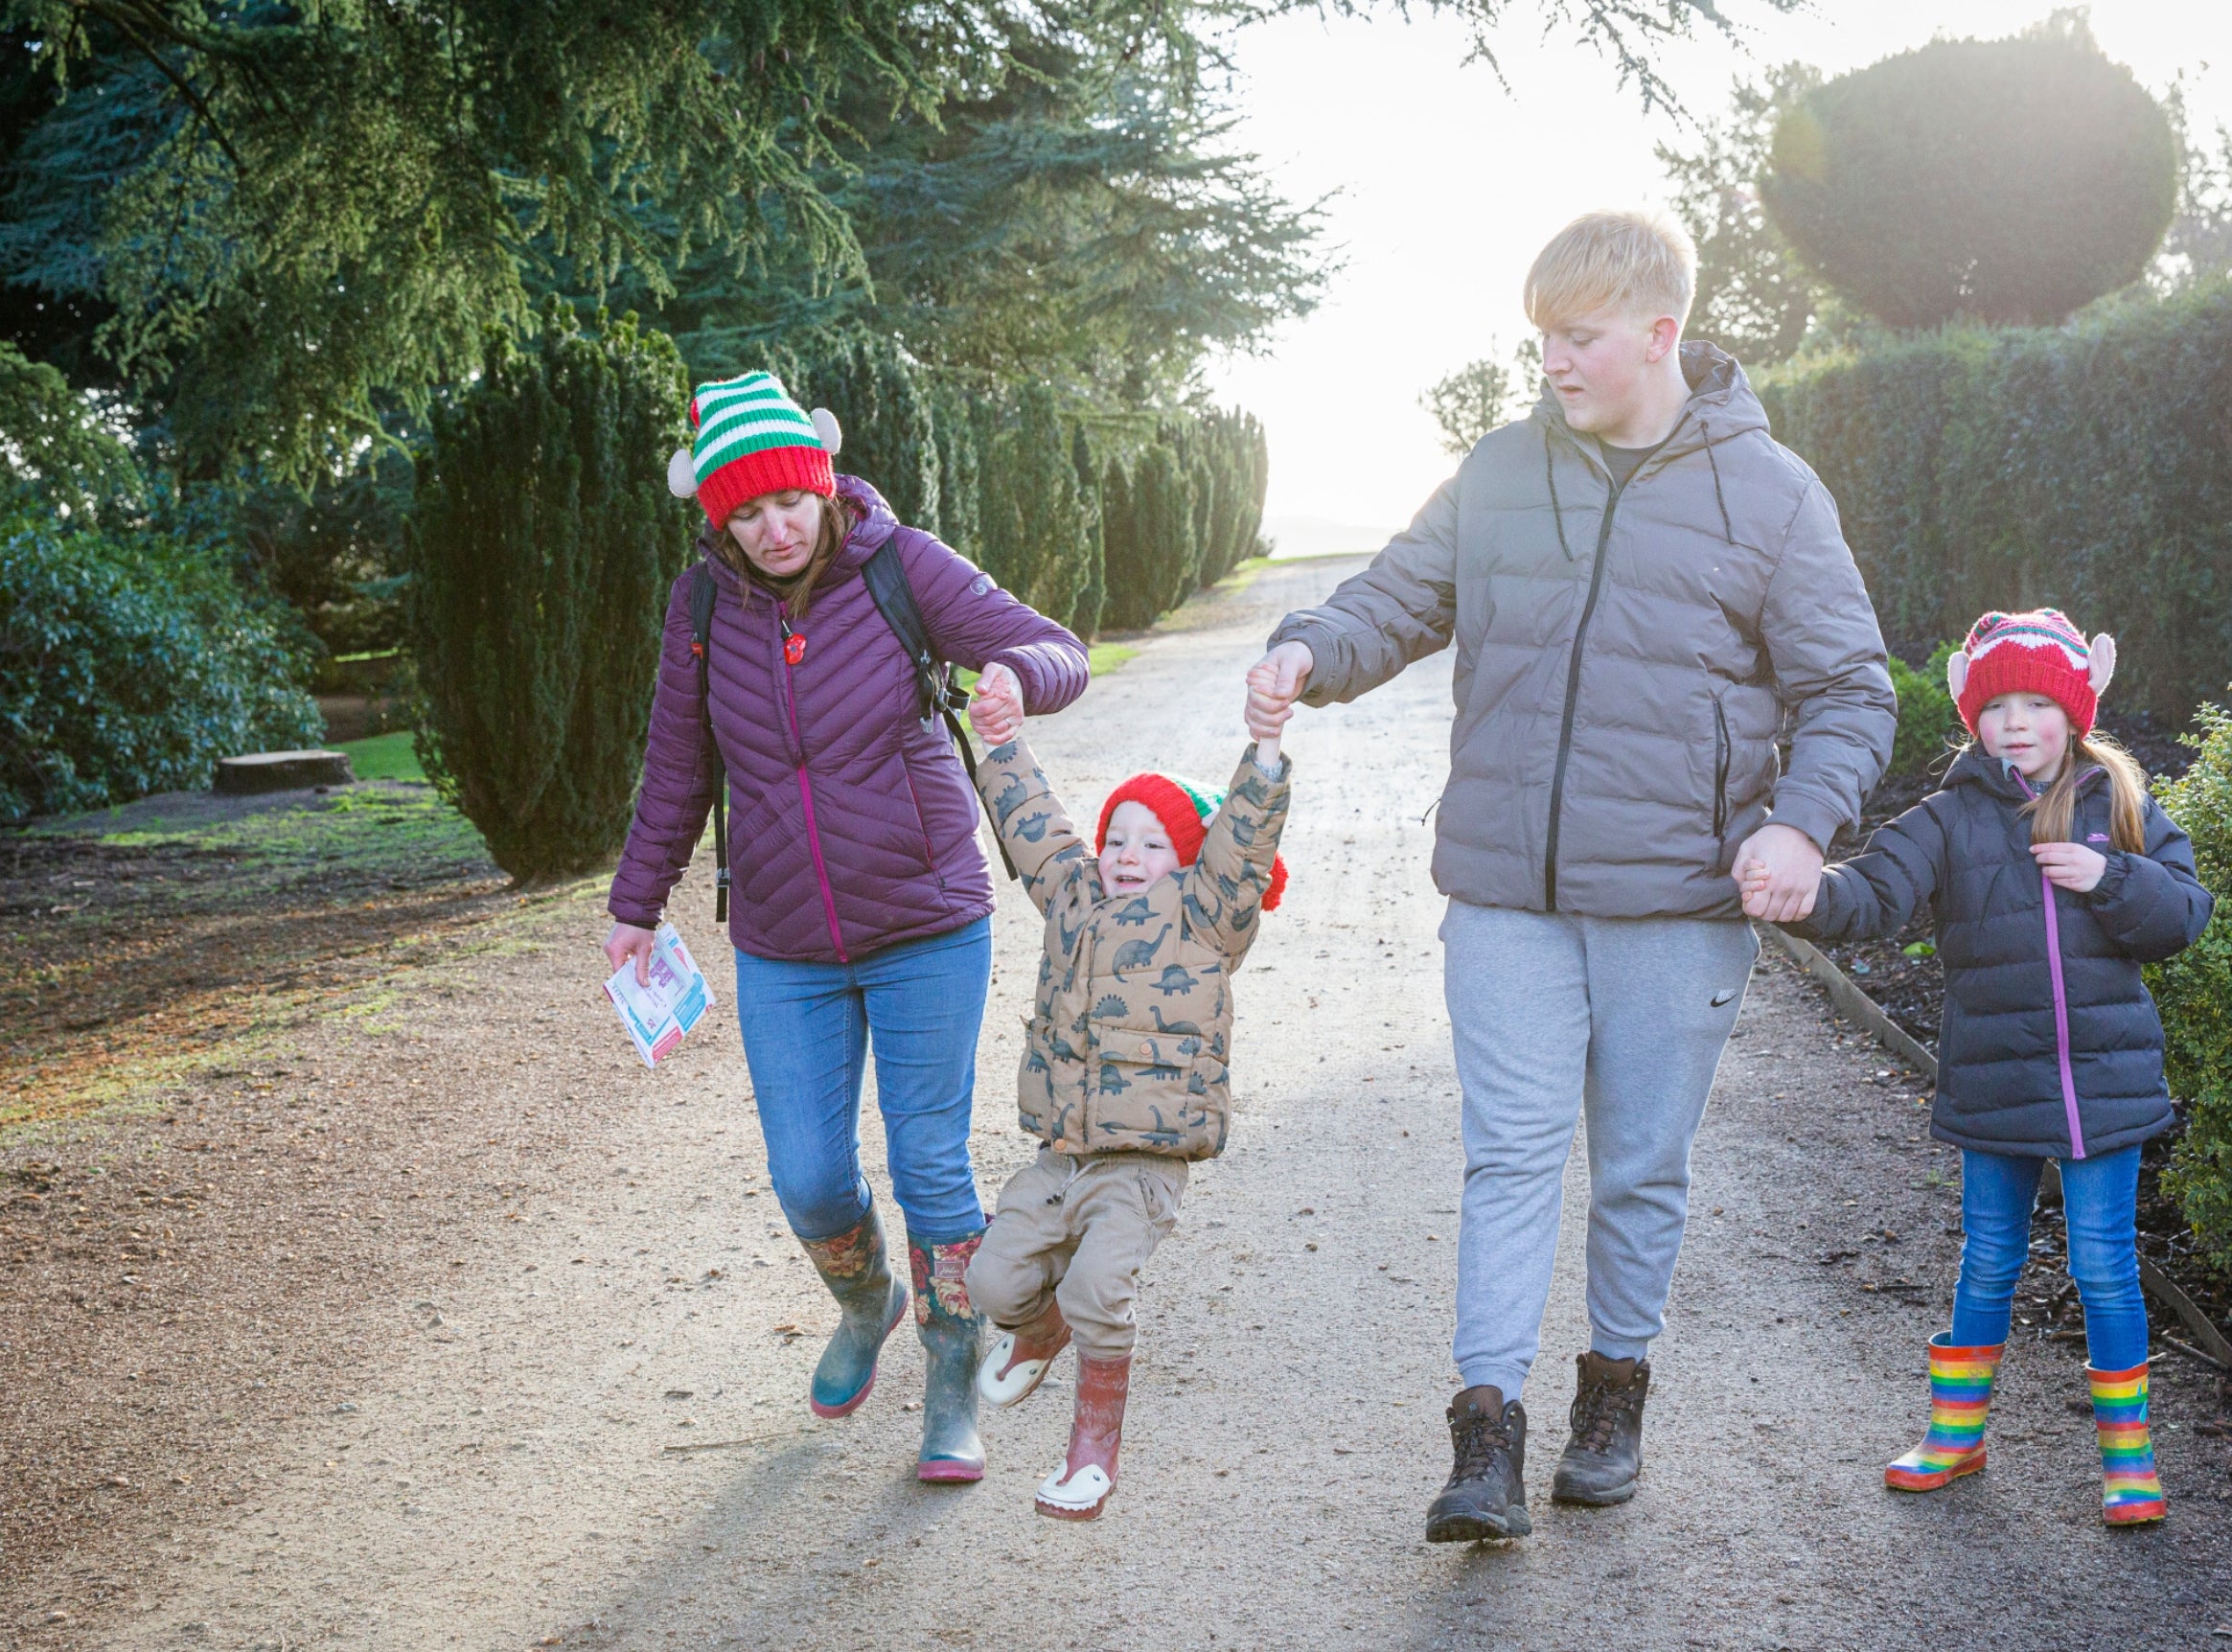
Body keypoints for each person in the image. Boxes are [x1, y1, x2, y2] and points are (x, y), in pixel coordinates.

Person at [1246, 209, 1898, 1541]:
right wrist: (1310, 650)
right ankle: (1483, 1436)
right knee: (1510, 1158)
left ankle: (1614, 1395)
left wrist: (1802, 825)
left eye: (1578, 337)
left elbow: (1849, 689)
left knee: (1643, 1167)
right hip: (1506, 895)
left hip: (1674, 906)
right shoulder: (1497, 473)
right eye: (1540, 335)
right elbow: (1394, 598)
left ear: (1660, 335)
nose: (1551, 359)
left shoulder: (1770, 494)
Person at [604, 371, 1090, 1483]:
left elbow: (1057, 646)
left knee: (930, 1163)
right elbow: (678, 768)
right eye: (747, 511)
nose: (775, 529)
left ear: (825, 487)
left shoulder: (901, 566)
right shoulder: (701, 608)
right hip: (784, 943)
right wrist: (636, 907)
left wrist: (1013, 672)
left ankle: (953, 1373)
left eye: (791, 502)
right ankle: (867, 1294)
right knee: (811, 1175)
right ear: (716, 517)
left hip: (927, 924)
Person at [1763, 608, 2211, 1526]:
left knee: (2105, 1267)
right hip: (1996, 1078)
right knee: (1989, 1259)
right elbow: (1872, 894)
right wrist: (1807, 893)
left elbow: (2184, 915)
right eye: (1996, 702)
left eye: (2036, 702)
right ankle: (1955, 1436)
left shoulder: (2121, 807)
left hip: (2105, 1088)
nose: (2015, 721)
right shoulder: (1947, 819)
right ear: (1974, 717)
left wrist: (2111, 879)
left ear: (2074, 711)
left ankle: (2130, 1460)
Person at [956, 667, 1294, 1520]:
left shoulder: (1205, 917)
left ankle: (1092, 1450)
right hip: (1060, 1154)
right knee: (994, 1282)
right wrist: (999, 740)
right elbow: (1033, 825)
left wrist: (1266, 745)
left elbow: (1244, 840)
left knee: (1097, 1286)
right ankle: (1036, 1332)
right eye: (1116, 839)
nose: (1125, 856)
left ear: (1184, 860)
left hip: (1141, 1163)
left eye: (1151, 843)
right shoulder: (1074, 899)